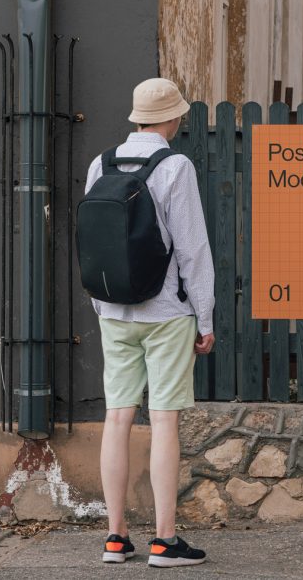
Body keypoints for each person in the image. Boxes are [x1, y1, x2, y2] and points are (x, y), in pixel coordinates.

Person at [85, 78, 215, 568]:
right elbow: (193, 249)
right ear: (173, 118)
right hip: (166, 314)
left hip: (113, 310)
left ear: (137, 116)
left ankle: (115, 538)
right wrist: (205, 317)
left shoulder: (102, 163)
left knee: (117, 418)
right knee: (163, 420)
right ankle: (164, 540)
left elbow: (95, 239)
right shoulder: (175, 166)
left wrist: (101, 304)